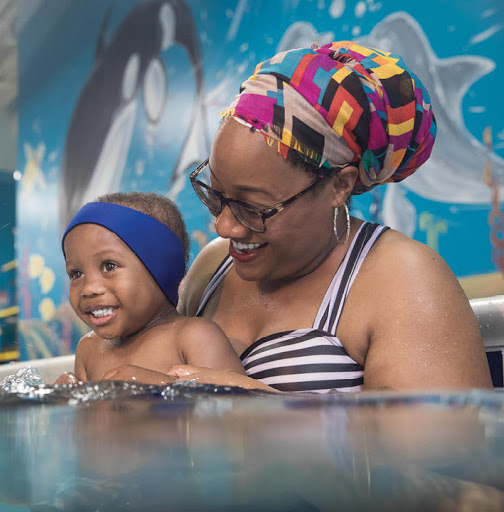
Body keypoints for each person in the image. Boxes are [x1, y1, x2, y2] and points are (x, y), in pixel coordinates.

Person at [107, 41, 493, 392]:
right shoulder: (214, 266)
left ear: (339, 186)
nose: (224, 227)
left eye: (254, 207)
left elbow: (443, 457)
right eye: (216, 194)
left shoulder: (403, 278)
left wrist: (256, 404)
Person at [54, 191, 249, 386]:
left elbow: (233, 409)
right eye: (76, 273)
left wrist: (160, 387)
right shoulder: (89, 349)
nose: (89, 289)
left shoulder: (194, 337)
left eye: (109, 266)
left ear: (160, 269)